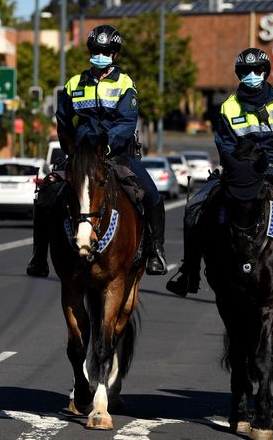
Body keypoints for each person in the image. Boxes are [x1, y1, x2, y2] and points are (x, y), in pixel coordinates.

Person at [166, 47, 273, 304]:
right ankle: (189, 273)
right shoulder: (228, 107)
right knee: (193, 208)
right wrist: (238, 167)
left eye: (257, 70)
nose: (251, 75)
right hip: (239, 172)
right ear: (239, 74)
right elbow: (225, 145)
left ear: (265, 72)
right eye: (245, 71)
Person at [26, 25, 168, 277]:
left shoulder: (125, 84)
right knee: (46, 194)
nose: (100, 55)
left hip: (116, 154)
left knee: (151, 195)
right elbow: (63, 121)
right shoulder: (74, 84)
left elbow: (126, 123)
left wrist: (106, 147)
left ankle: (156, 251)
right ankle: (38, 257)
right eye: (96, 50)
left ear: (115, 54)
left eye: (107, 51)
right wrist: (71, 148)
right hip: (79, 156)